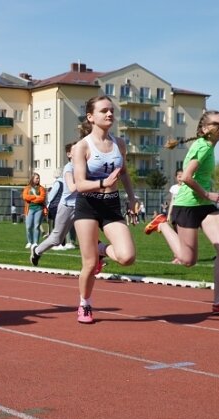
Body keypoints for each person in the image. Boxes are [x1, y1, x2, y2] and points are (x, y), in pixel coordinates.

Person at [144, 110, 219, 315]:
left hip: (205, 206)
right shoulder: (203, 147)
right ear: (205, 129)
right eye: (218, 124)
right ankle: (161, 224)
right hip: (188, 204)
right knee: (188, 260)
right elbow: (187, 177)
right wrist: (209, 194)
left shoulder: (208, 146)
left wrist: (207, 197)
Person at [72, 97, 139, 324]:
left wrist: (131, 197)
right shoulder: (81, 147)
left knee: (127, 257)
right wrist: (102, 183)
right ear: (91, 117)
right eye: (104, 111)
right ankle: (85, 304)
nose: (109, 114)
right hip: (88, 205)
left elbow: (125, 172)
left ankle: (101, 249)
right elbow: (79, 184)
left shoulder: (119, 143)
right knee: (89, 264)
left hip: (111, 204)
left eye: (111, 110)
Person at [30, 142, 78, 266]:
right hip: (67, 207)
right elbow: (73, 188)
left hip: (81, 206)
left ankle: (97, 258)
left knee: (90, 231)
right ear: (69, 154)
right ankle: (37, 251)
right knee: (57, 239)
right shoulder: (69, 168)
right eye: (76, 149)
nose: (80, 150)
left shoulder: (85, 166)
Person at [22, 173, 46, 249]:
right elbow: (25, 197)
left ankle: (35, 242)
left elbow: (42, 198)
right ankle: (29, 242)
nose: (38, 180)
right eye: (36, 178)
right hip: (29, 209)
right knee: (28, 227)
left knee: (36, 226)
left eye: (38, 178)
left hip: (39, 209)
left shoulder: (41, 188)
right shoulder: (27, 188)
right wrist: (35, 197)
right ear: (32, 179)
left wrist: (32, 199)